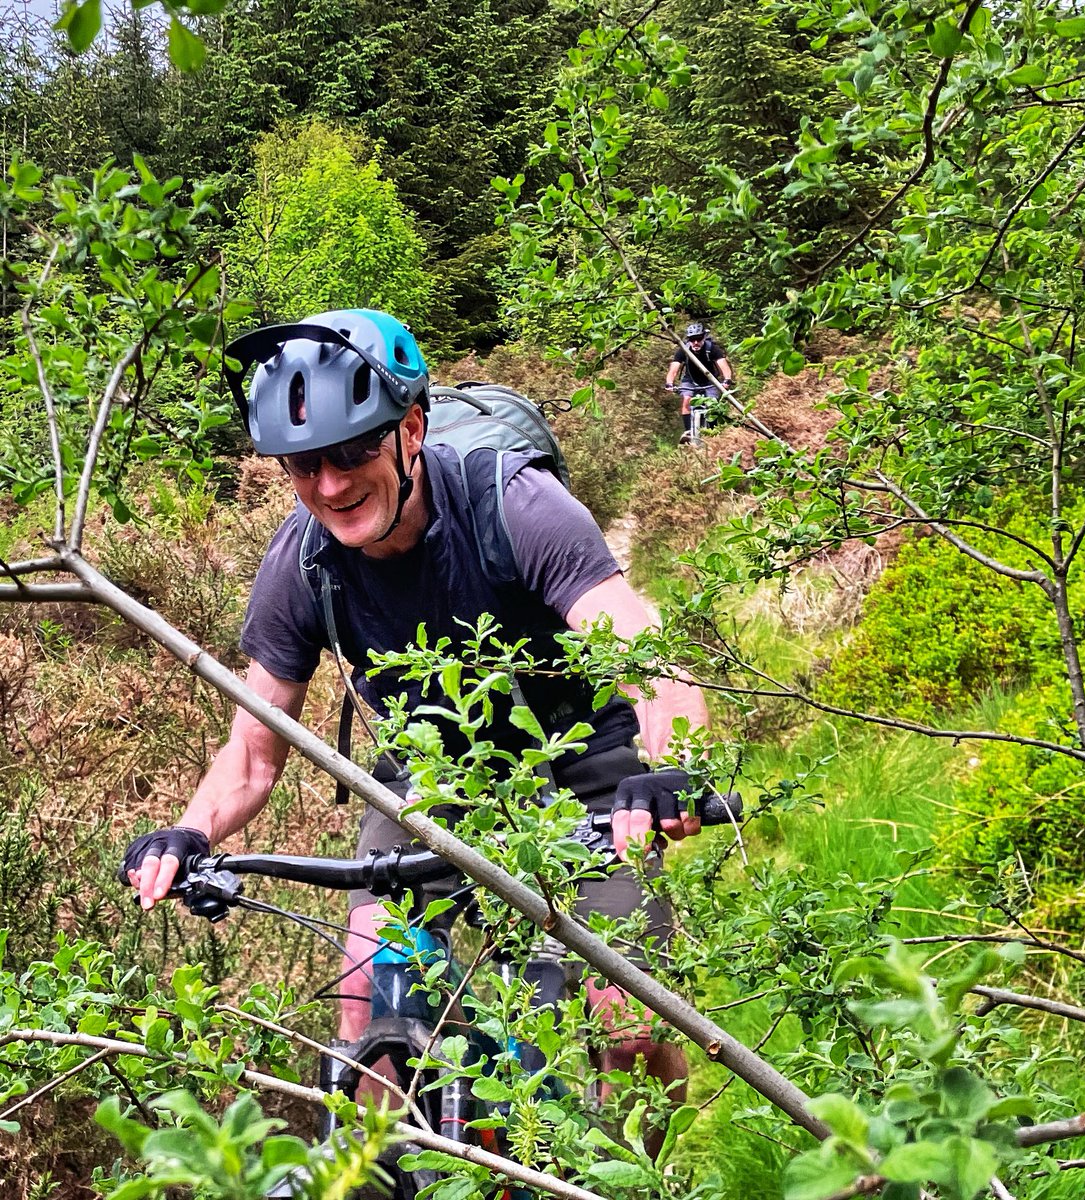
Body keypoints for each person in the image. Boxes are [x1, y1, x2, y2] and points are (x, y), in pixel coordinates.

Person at [121, 309, 710, 1146]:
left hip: (583, 759)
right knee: (369, 1010)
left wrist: (671, 767)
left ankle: (650, 1174)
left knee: (628, 1021)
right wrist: (187, 831)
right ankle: (389, 1171)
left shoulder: (515, 505)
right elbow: (251, 756)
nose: (330, 484)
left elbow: (651, 656)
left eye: (355, 450)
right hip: (431, 771)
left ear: (412, 429)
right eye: (304, 464)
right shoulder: (302, 563)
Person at [665, 322, 733, 441]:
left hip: (710, 381)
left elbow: (723, 365)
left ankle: (714, 434)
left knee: (712, 404)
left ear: (704, 338)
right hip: (690, 380)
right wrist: (669, 383)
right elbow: (674, 368)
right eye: (692, 339)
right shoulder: (683, 350)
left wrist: (727, 380)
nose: (695, 342)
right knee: (687, 400)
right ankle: (688, 432)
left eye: (698, 339)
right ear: (689, 340)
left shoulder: (712, 348)